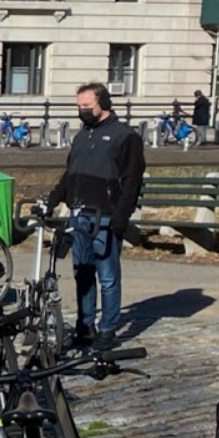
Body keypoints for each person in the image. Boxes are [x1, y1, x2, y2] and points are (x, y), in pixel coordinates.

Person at [41, 82, 145, 347]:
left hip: (106, 216)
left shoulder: (125, 136)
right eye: (79, 107)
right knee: (82, 272)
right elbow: (70, 175)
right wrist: (52, 200)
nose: (82, 111)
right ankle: (84, 326)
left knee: (107, 276)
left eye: (87, 106)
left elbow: (132, 181)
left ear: (103, 104)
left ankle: (107, 329)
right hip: (79, 213)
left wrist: (121, 218)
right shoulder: (82, 136)